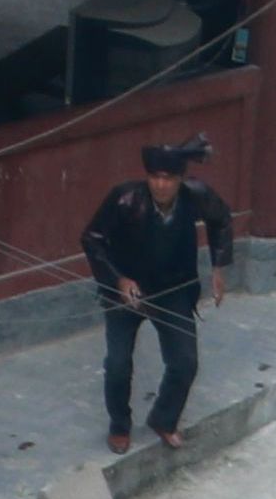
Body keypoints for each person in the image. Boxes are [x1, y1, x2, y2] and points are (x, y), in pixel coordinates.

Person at [85, 143, 212, 448]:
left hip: (171, 290)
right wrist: (118, 280)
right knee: (117, 363)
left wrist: (220, 266)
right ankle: (119, 423)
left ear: (180, 180)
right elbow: (92, 239)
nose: (161, 185)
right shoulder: (124, 198)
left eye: (168, 178)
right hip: (126, 292)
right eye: (155, 177)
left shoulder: (194, 197)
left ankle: (163, 418)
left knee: (185, 360)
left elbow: (221, 220)